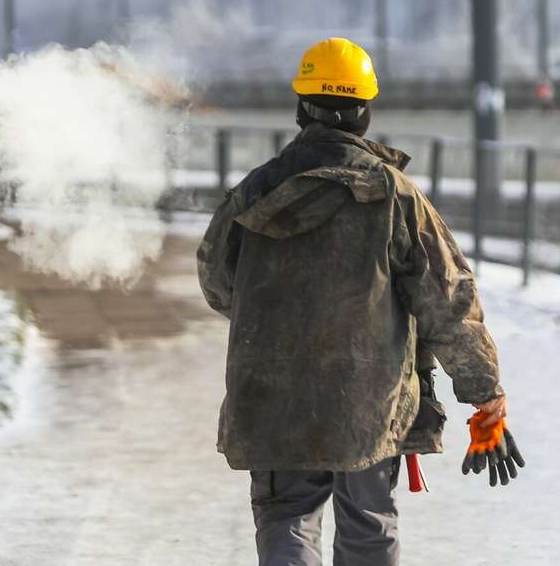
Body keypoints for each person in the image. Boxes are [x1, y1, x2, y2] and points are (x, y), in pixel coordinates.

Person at [197, 38, 519, 566]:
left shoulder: (253, 193)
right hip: (371, 403)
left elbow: (216, 282)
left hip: (272, 397)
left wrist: (276, 317)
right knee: (369, 526)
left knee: (285, 519)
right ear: (364, 113)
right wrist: (486, 398)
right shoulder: (395, 195)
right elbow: (449, 300)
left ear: (303, 108)